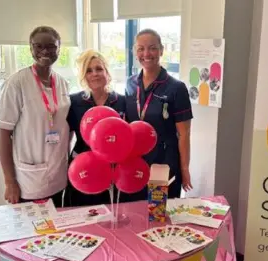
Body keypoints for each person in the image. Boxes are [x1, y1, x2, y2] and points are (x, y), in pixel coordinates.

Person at [0, 26, 70, 207]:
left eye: (51, 46)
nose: (45, 51)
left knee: (56, 231)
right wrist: (10, 182)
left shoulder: (62, 83)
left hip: (58, 175)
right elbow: (3, 133)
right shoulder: (16, 83)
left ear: (59, 48)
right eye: (38, 46)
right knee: (30, 231)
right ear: (30, 48)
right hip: (29, 179)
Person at [124, 28, 193, 201]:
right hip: (135, 162)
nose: (146, 53)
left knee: (158, 213)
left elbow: (184, 134)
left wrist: (185, 170)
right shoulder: (130, 84)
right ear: (135, 52)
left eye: (152, 48)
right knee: (134, 212)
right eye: (141, 49)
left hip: (163, 162)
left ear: (161, 50)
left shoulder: (176, 88)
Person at [65, 49, 126, 207]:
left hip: (113, 170)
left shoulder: (123, 102)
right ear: (84, 76)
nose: (95, 74)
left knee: (111, 214)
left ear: (107, 72)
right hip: (83, 169)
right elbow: (67, 137)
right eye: (89, 70)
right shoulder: (74, 102)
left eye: (99, 69)